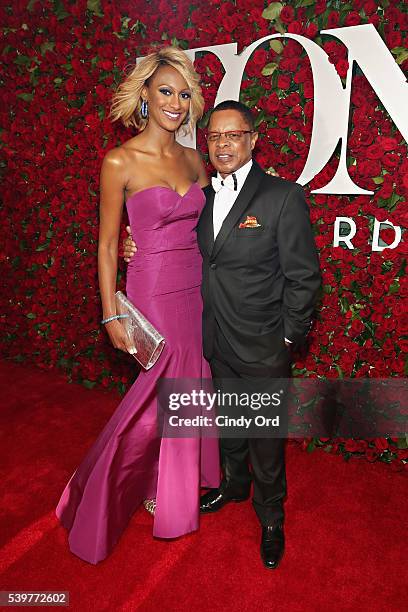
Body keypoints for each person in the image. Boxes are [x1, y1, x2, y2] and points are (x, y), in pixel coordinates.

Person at [124, 100, 321, 569]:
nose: (223, 144)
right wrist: (133, 244)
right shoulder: (203, 197)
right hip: (213, 337)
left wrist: (289, 340)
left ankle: (271, 517)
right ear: (207, 144)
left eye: (234, 135)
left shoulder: (282, 196)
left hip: (264, 344)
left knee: (265, 437)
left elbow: (305, 277)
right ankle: (234, 485)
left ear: (253, 140)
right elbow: (173, 240)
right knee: (231, 425)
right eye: (215, 136)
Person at [55, 47, 220, 565]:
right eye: (165, 91)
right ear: (145, 95)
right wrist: (110, 312)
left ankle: (165, 487)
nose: (175, 101)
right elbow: (107, 244)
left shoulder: (196, 160)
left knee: (189, 385)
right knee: (154, 398)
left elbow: (210, 233)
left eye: (183, 93)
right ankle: (97, 489)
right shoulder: (120, 161)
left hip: (195, 289)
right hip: (149, 292)